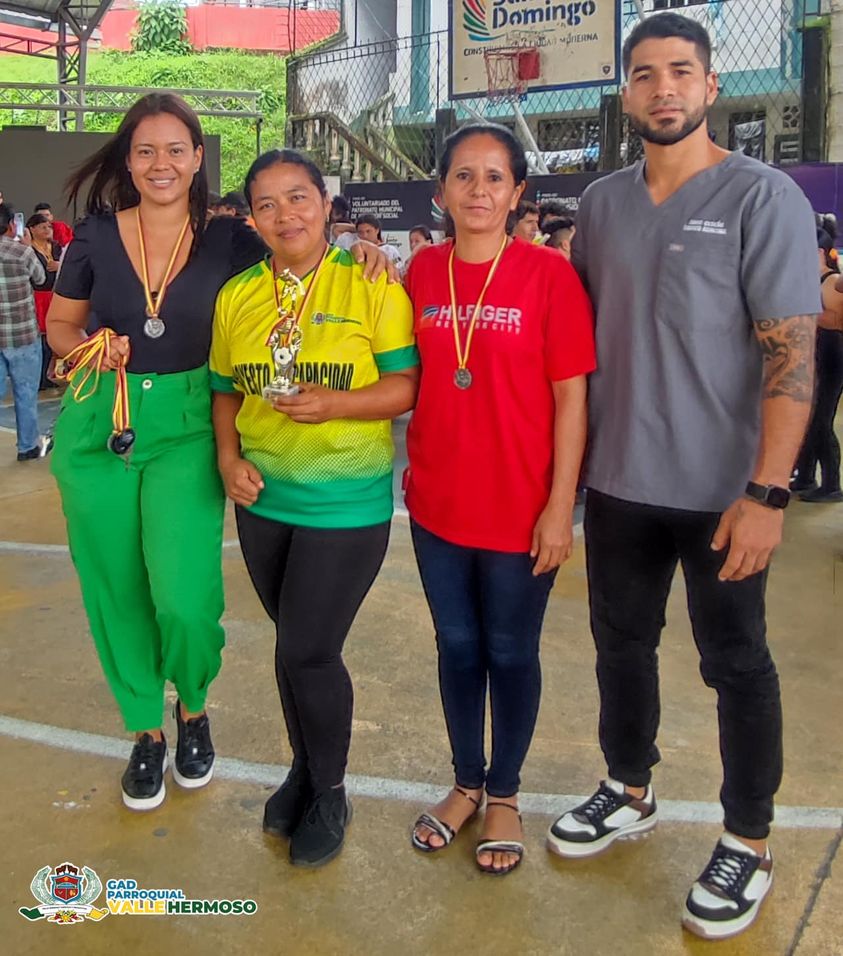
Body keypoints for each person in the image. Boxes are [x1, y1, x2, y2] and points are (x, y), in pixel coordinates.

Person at [544, 14, 820, 941]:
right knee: (619, 647)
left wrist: (768, 493)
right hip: (620, 481)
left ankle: (747, 838)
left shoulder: (762, 196)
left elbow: (790, 358)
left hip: (723, 494)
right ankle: (628, 788)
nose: (662, 88)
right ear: (625, 93)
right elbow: (578, 343)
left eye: (680, 72)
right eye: (644, 74)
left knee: (735, 663)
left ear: (709, 87)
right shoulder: (599, 205)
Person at [46, 97, 392, 814]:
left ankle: (194, 707)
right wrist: (88, 348)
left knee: (183, 594)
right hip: (101, 420)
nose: (161, 164)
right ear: (128, 160)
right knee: (115, 588)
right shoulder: (95, 236)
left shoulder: (231, 239)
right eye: (146, 151)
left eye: (176, 150)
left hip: (188, 424)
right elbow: (60, 324)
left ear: (198, 158)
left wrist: (359, 248)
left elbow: (297, 251)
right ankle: (145, 730)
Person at [210, 149, 418, 867]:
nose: (284, 215)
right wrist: (228, 460)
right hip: (264, 500)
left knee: (309, 648)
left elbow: (405, 387)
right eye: (266, 204)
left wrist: (337, 404)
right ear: (252, 218)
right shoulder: (238, 295)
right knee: (290, 645)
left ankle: (330, 791)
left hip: (344, 500)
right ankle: (302, 769)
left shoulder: (369, 281)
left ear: (326, 205)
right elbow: (223, 390)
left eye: (297, 198)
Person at [404, 123, 595, 876]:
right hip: (437, 507)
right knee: (456, 648)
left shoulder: (549, 275)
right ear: (442, 190)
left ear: (517, 193)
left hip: (522, 509)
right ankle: (465, 784)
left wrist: (560, 507)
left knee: (511, 651)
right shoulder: (421, 272)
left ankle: (505, 794)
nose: (478, 190)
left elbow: (572, 400)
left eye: (493, 178)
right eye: (463, 175)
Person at [791, 216, 843, 502]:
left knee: (822, 421)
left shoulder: (833, 282)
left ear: (819, 252)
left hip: (833, 356)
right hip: (816, 355)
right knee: (808, 419)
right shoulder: (809, 281)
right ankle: (806, 476)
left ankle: (832, 485)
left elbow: (829, 319)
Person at [0, 202, 52, 460]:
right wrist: (27, 245)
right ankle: (27, 446)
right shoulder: (22, 252)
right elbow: (41, 279)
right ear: (12, 225)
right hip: (23, 335)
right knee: (26, 392)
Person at [26, 213, 62, 389]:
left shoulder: (56, 247)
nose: (47, 230)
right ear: (32, 229)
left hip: (54, 294)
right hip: (37, 296)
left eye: (49, 227)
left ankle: (45, 375)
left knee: (50, 338)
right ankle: (37, 376)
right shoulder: (28, 249)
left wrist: (59, 265)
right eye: (42, 227)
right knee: (39, 340)